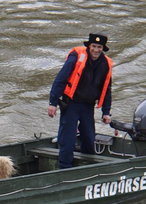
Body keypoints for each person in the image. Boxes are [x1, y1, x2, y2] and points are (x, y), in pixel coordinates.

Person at [47, 32, 114, 169]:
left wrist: (106, 112)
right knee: (68, 140)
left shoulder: (106, 64)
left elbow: (106, 89)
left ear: (103, 49)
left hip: (88, 106)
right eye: (94, 46)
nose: (96, 50)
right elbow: (60, 79)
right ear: (89, 46)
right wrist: (52, 103)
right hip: (71, 104)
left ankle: (87, 167)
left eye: (99, 47)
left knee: (89, 139)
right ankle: (65, 168)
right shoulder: (76, 57)